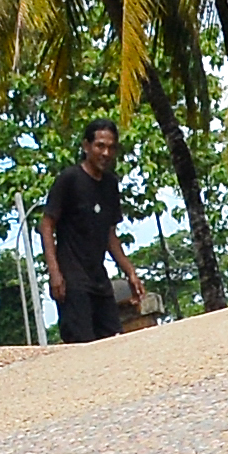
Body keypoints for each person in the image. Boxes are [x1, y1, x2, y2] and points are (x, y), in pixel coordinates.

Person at [40, 119, 145, 342]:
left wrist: (130, 272)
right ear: (86, 146)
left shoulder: (110, 185)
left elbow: (110, 236)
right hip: (73, 282)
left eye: (111, 147)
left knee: (114, 340)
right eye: (100, 146)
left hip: (99, 280)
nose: (105, 153)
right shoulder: (70, 179)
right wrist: (54, 273)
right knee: (81, 347)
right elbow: (47, 224)